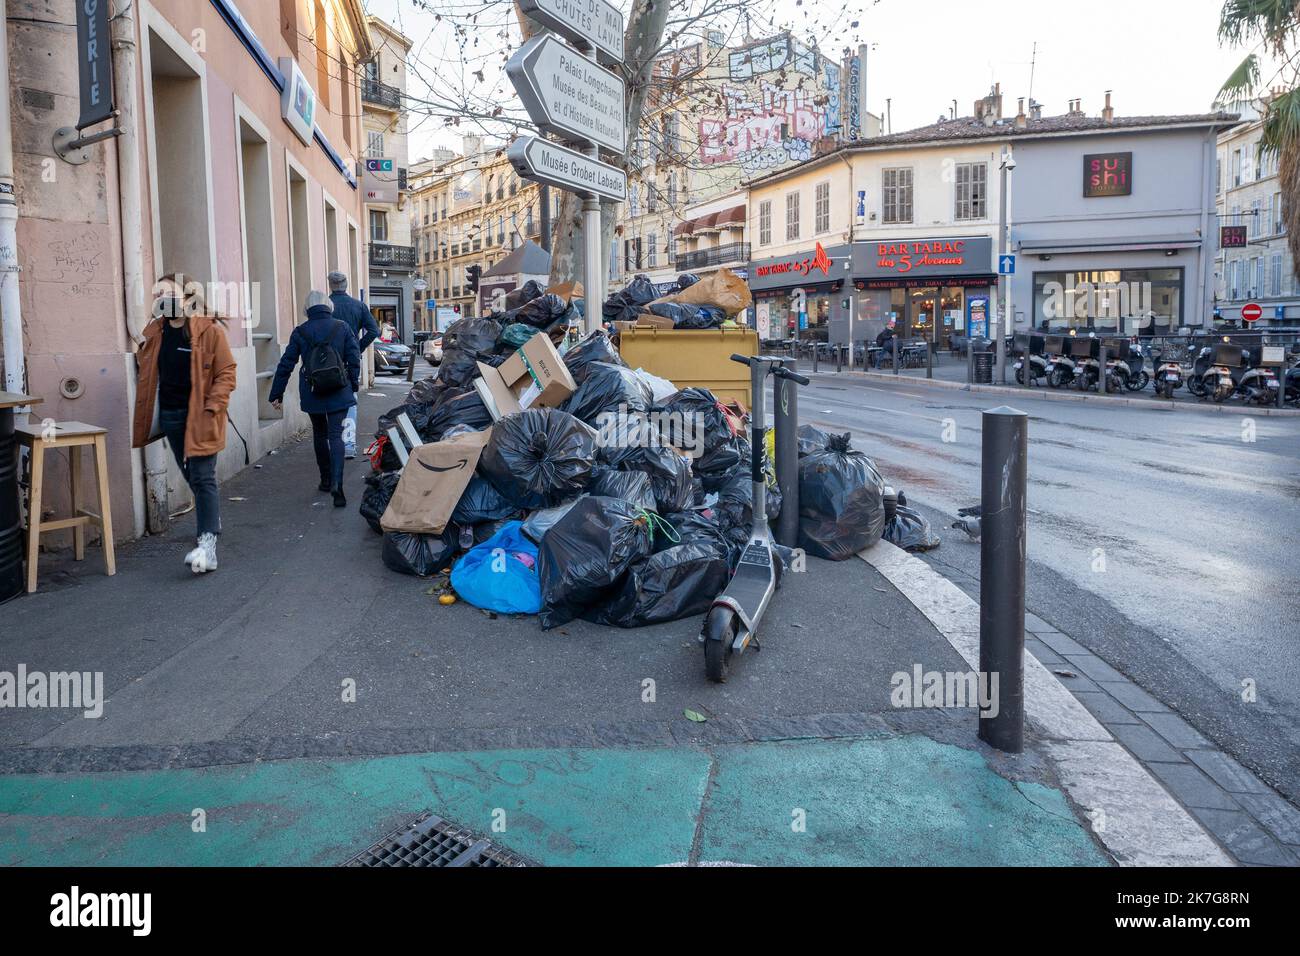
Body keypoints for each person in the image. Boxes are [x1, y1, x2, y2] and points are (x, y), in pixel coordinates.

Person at [131, 275, 237, 574]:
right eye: (158, 293)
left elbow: (227, 371)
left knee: (203, 478)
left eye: (169, 292)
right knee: (193, 476)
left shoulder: (208, 332)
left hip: (201, 416)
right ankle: (211, 518)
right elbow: (146, 364)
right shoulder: (155, 331)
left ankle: (208, 546)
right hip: (171, 416)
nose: (162, 297)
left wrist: (213, 405)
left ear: (187, 297)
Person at [268, 291, 361, 507]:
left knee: (319, 434)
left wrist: (276, 393)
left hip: (312, 390)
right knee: (336, 434)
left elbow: (286, 363)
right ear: (328, 306)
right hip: (339, 388)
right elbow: (353, 358)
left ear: (307, 309)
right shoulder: (342, 327)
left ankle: (326, 480)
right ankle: (338, 484)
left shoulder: (300, 331)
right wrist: (353, 383)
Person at [326, 271, 380, 459]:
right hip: (350, 360)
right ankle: (348, 445)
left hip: (326, 361)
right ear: (346, 284)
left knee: (328, 401)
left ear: (330, 285)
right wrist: (357, 347)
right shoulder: (358, 306)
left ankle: (332, 443)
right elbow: (374, 330)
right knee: (350, 402)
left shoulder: (326, 306)